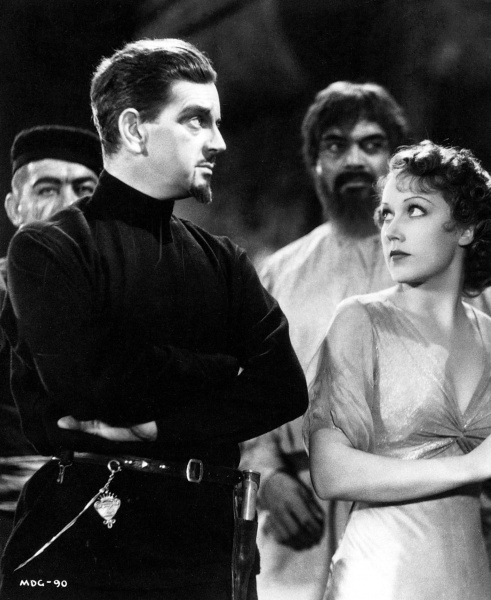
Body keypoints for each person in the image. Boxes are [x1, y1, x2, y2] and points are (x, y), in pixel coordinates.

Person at [0, 39, 308, 600]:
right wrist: (221, 368)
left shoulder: (223, 259)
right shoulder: (49, 247)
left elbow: (285, 390)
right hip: (89, 538)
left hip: (207, 545)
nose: (218, 141)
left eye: (217, 122)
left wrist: (158, 427)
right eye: (196, 120)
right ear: (134, 129)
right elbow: (87, 383)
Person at [240, 82, 491, 600]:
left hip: (439, 533)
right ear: (314, 163)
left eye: (371, 145)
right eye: (335, 146)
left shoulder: (465, 287)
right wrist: (266, 479)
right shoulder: (278, 273)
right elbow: (248, 396)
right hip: (299, 525)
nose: (353, 159)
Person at [304, 140, 491, 600]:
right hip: (378, 581)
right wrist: (473, 464)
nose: (392, 231)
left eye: (415, 210)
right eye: (386, 215)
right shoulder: (359, 320)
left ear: (466, 227)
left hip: (470, 582)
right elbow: (331, 471)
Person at [0, 125, 102, 551]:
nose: (68, 204)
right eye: (46, 189)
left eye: (85, 189)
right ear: (14, 207)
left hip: (108, 526)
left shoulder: (138, 295)